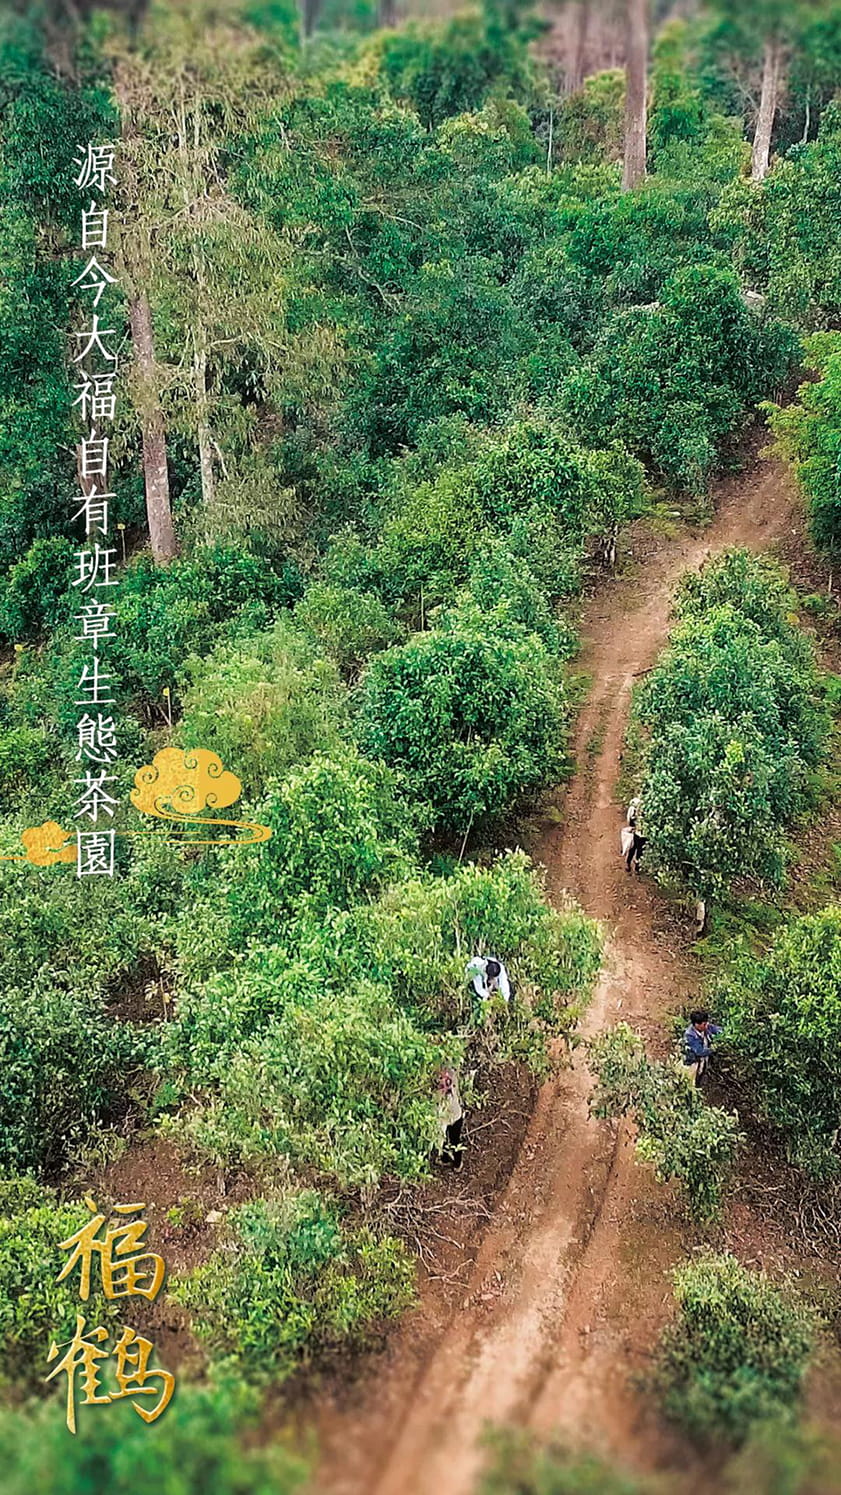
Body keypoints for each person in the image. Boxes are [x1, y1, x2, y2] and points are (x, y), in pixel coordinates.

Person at [683, 1008, 722, 1085]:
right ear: (697, 1025)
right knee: (692, 1082)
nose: (707, 1025)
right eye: (704, 1024)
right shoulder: (690, 1035)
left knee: (701, 1076)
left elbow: (719, 1030)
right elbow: (699, 1051)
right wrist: (713, 1049)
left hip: (702, 1061)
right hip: (693, 1064)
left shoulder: (706, 1027)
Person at [437, 1066, 464, 1170]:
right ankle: (457, 1163)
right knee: (455, 1140)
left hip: (443, 1116)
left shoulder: (435, 1082)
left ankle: (445, 1159)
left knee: (442, 1138)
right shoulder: (451, 1072)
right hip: (456, 1113)